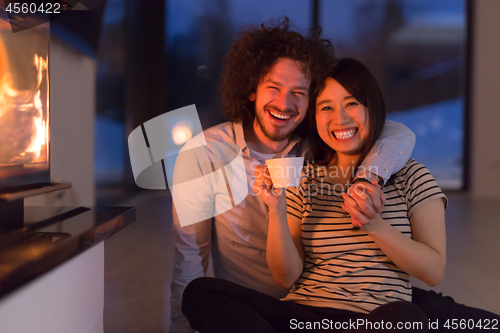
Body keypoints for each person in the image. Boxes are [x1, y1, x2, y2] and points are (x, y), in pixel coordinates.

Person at [181, 58, 500, 332]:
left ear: (371, 107)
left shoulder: (410, 176)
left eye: (351, 104)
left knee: (407, 317)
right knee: (200, 293)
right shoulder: (304, 176)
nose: (340, 119)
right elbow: (285, 276)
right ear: (314, 117)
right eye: (326, 107)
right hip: (304, 317)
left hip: (375, 317)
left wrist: (376, 226)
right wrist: (276, 209)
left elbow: (433, 271)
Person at [170, 20, 417, 333]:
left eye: (299, 92)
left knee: (420, 309)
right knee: (199, 294)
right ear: (250, 89)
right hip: (250, 309)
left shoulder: (318, 147)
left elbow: (398, 132)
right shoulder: (204, 153)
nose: (284, 104)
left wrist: (368, 177)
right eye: (274, 87)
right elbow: (189, 259)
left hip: (322, 303)